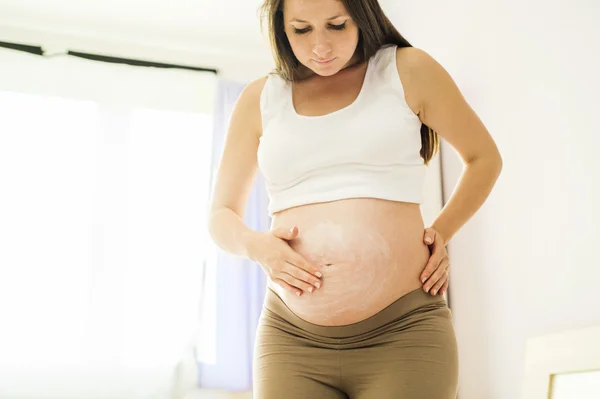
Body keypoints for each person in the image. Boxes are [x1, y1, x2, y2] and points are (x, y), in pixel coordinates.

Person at [208, 0, 503, 397]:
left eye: (336, 25)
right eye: (301, 29)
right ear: (281, 28)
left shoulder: (406, 71)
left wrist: (441, 233)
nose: (321, 47)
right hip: (291, 340)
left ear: (362, 15)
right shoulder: (260, 99)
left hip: (404, 332)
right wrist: (255, 245)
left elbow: (484, 159)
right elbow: (221, 214)